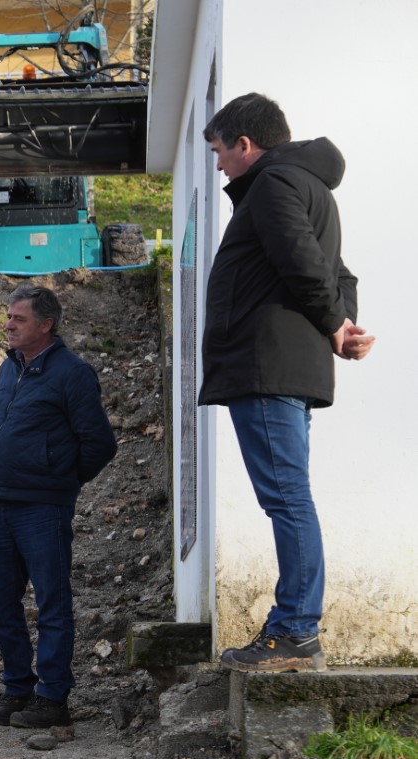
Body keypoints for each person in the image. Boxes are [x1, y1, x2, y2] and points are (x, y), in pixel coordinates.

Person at [200, 93, 373, 672]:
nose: (220, 166)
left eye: (222, 152)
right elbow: (338, 273)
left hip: (265, 364)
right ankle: (295, 627)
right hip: (284, 366)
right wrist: (342, 327)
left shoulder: (273, 185)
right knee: (290, 497)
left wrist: (332, 325)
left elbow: (304, 263)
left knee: (287, 500)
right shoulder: (313, 189)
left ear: (245, 144)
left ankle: (296, 629)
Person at [0, 286, 117, 729]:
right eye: (9, 316)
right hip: (1, 503)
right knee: (1, 603)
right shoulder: (8, 368)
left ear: (46, 324)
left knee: (52, 604)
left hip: (44, 507)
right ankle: (17, 689)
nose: (9, 324)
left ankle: (53, 698)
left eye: (19, 319)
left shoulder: (73, 373)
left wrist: (60, 478)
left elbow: (100, 444)